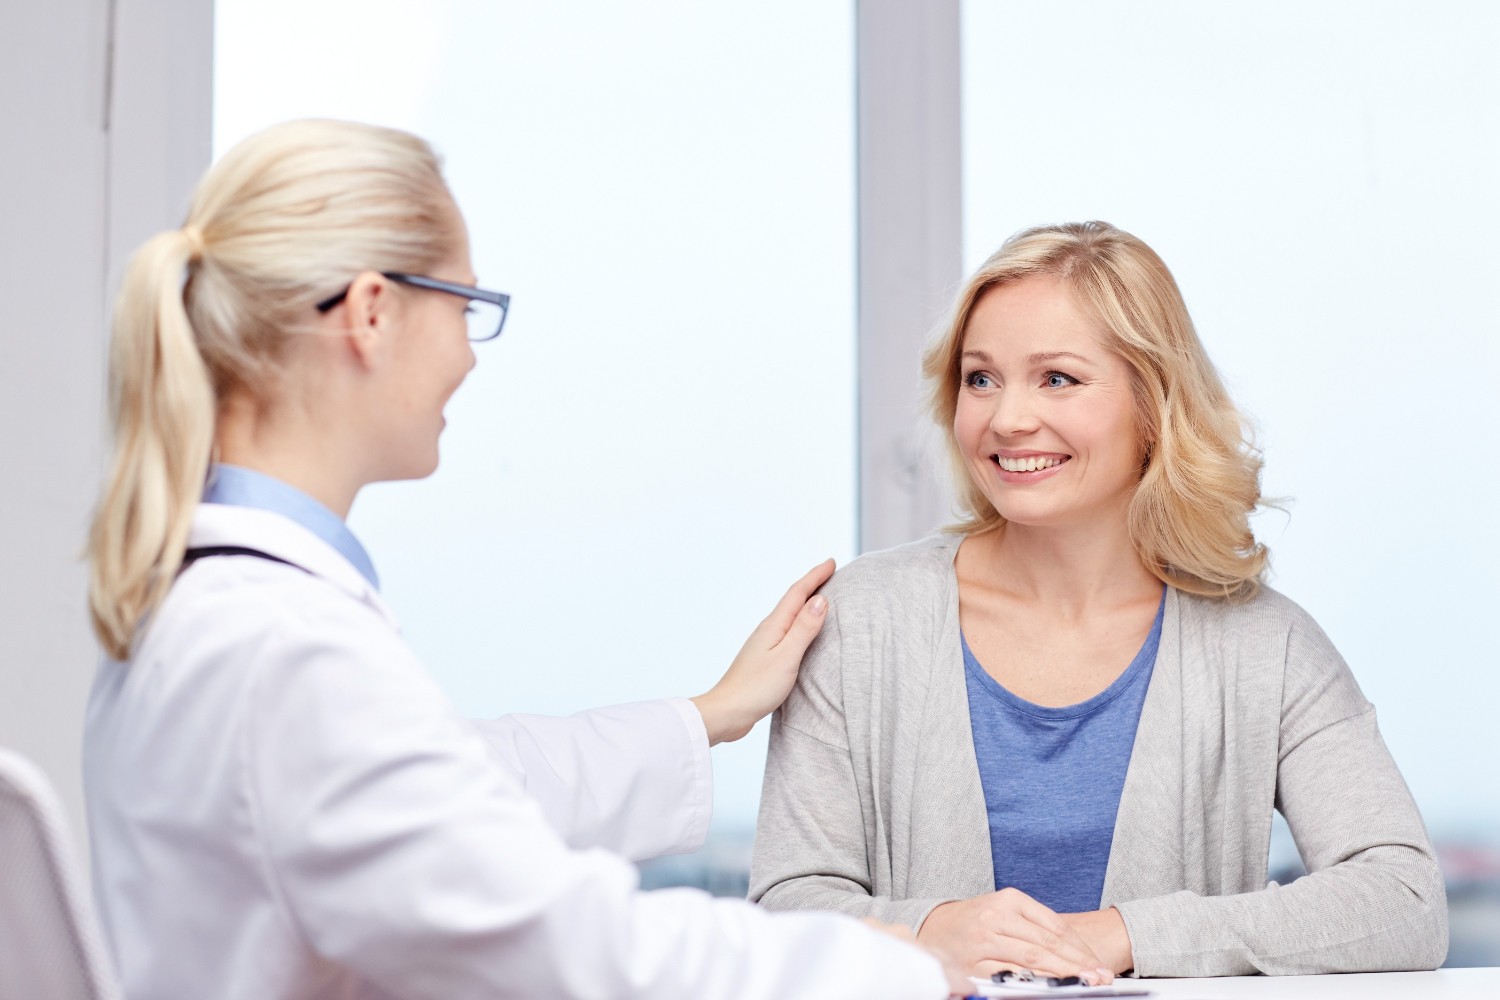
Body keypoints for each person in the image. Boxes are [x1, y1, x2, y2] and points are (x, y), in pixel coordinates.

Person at [82, 119, 966, 1000]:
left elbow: (463, 785)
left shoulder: (213, 614)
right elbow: (570, 948)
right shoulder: (287, 650)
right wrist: (891, 966)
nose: (469, 353)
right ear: (372, 311)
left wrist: (711, 714)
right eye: (465, 306)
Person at [748, 221, 1449, 979]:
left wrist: (1128, 936)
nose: (1007, 418)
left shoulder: (1265, 647)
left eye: (1058, 378)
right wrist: (929, 932)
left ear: (1154, 405)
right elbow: (785, 905)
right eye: (980, 378)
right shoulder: (861, 621)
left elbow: (1404, 901)